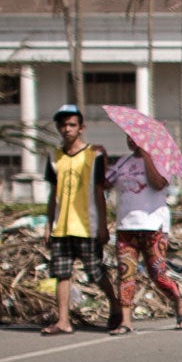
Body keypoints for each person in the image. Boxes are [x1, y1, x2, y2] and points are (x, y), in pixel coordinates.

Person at [41, 104, 117, 335]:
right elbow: (53, 194)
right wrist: (48, 224)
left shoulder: (94, 155)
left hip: (87, 225)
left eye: (72, 124)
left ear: (81, 128)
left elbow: (99, 191)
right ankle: (63, 320)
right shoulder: (54, 157)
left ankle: (116, 305)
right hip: (62, 227)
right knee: (62, 274)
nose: (67, 129)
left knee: (95, 271)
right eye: (63, 125)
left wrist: (103, 226)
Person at [106, 134, 182, 333]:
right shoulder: (122, 163)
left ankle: (179, 301)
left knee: (157, 275)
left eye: (137, 137)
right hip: (126, 226)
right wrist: (102, 159)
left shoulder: (161, 162)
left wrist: (146, 156)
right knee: (125, 273)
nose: (132, 140)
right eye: (129, 136)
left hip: (153, 226)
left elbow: (158, 184)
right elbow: (106, 183)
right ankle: (126, 321)